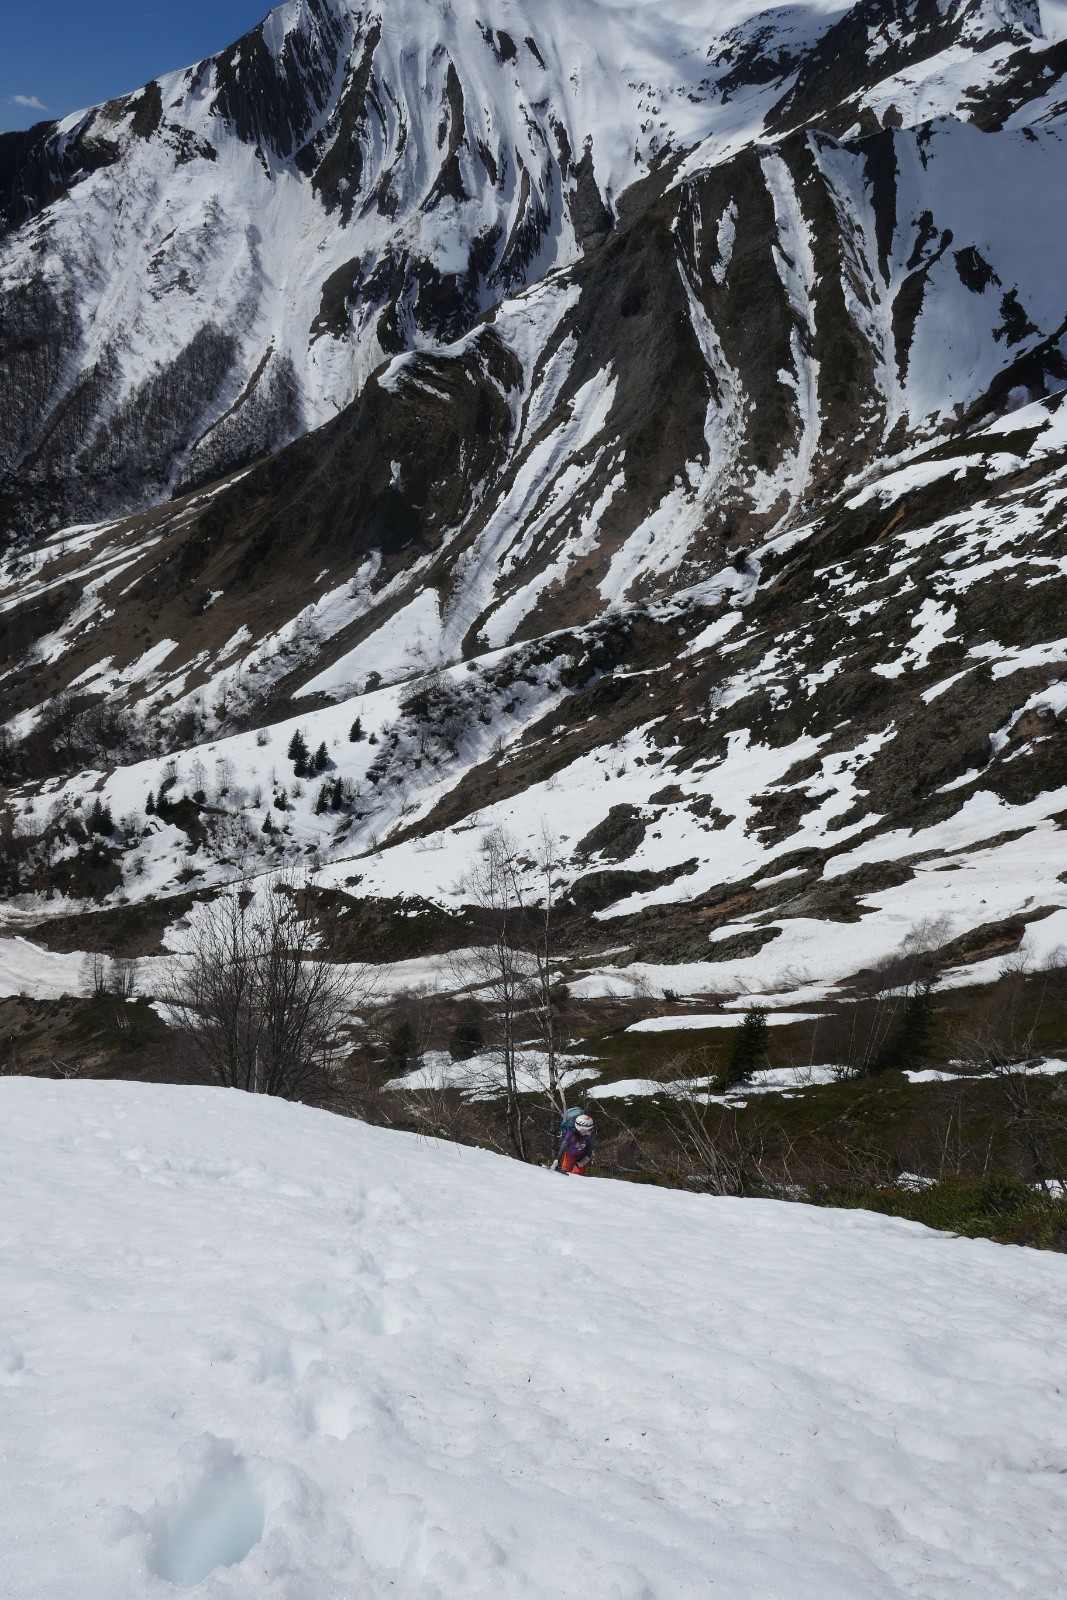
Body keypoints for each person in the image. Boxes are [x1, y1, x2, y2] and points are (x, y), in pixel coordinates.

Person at [556, 1111, 596, 1175]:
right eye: (589, 1130)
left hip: (582, 1155)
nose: (590, 1132)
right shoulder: (570, 1134)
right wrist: (557, 1160)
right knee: (565, 1172)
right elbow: (563, 1147)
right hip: (569, 1154)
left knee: (577, 1174)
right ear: (581, 1129)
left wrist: (584, 1160)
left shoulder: (591, 1135)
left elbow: (591, 1148)